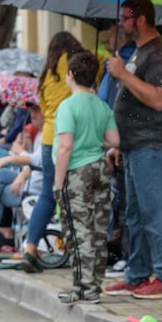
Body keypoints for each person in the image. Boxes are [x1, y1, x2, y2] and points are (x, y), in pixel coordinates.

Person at [104, 0, 162, 300]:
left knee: (158, 211)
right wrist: (120, 142)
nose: (120, 23)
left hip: (155, 144)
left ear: (141, 19)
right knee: (135, 214)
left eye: (125, 18)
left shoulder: (161, 54)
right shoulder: (140, 53)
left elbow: (159, 99)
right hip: (135, 146)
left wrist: (123, 74)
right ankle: (136, 274)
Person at [51, 50, 118, 305]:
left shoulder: (67, 106)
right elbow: (114, 140)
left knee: (78, 231)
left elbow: (65, 146)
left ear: (70, 75)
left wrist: (58, 184)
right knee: (99, 229)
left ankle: (84, 288)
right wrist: (92, 139)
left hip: (76, 172)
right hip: (100, 169)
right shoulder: (102, 105)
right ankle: (94, 285)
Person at [15, 31, 83, 273]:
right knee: (77, 195)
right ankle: (80, 254)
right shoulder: (77, 65)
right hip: (71, 136)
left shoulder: (46, 75)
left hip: (48, 138)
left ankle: (30, 248)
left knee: (48, 194)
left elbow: (44, 109)